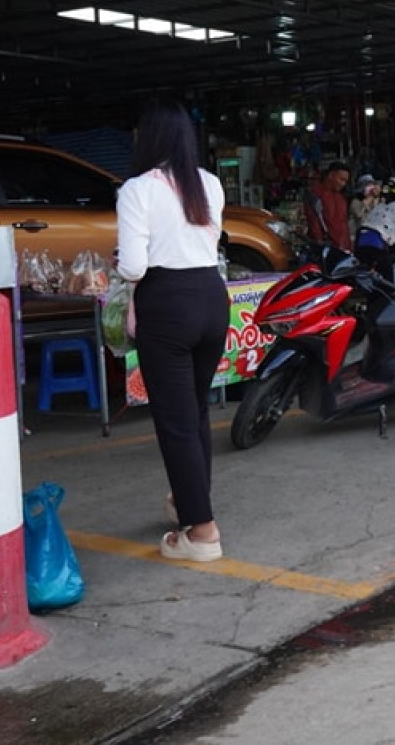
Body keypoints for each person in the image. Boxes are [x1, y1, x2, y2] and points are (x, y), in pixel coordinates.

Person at [116, 101, 231, 563]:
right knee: (195, 412)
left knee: (176, 422)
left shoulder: (137, 189)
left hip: (166, 303)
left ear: (148, 138)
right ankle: (189, 503)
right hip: (211, 297)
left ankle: (202, 533)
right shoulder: (209, 183)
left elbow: (132, 266)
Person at [306, 161, 352, 252]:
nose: (343, 184)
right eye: (341, 179)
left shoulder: (341, 198)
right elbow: (314, 223)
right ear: (331, 175)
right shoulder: (316, 194)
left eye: (345, 181)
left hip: (343, 249)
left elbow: (344, 225)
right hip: (326, 249)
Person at [348, 175, 379, 240]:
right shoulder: (355, 202)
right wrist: (369, 198)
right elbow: (359, 217)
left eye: (372, 184)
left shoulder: (374, 201)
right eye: (368, 185)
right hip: (355, 237)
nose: (371, 188)